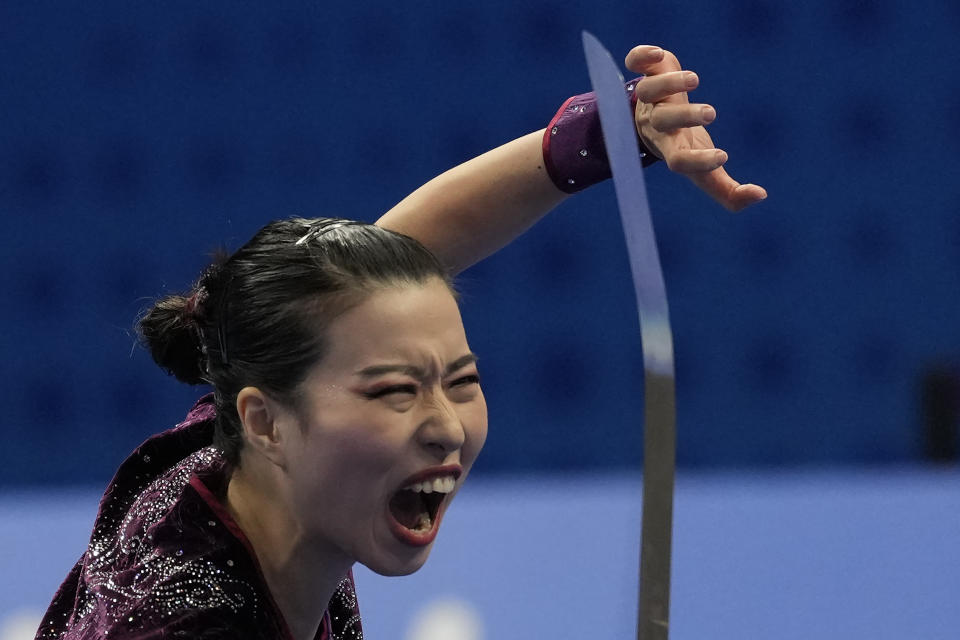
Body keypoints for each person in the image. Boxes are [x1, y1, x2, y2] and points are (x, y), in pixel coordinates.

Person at [36, 45, 765, 640]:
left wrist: (605, 134)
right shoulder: (182, 623)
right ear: (266, 423)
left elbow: (382, 273)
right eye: (394, 392)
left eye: (462, 380)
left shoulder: (240, 449)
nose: (445, 426)